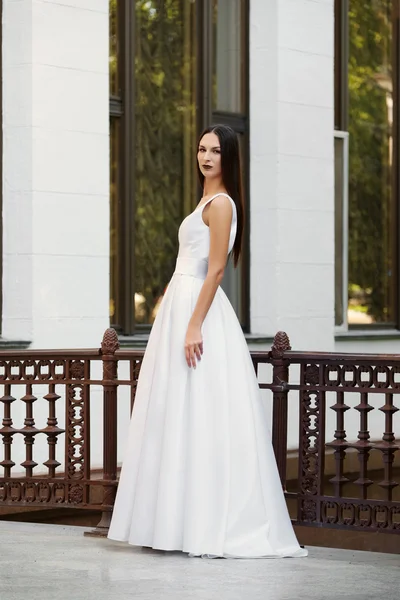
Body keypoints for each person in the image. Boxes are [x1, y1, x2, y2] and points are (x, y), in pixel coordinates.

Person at [107, 125, 307, 559]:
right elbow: (188, 263)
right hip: (181, 307)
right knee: (175, 414)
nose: (206, 156)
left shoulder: (221, 205)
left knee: (198, 412)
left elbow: (215, 270)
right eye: (201, 148)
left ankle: (203, 524)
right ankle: (174, 524)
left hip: (198, 312)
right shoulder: (203, 201)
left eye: (215, 150)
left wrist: (193, 325)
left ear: (228, 157)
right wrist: (168, 307)